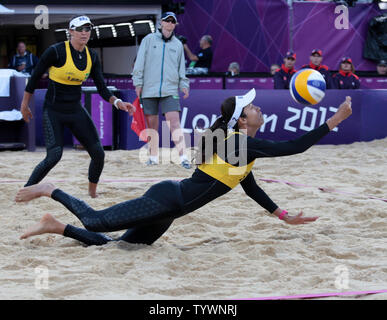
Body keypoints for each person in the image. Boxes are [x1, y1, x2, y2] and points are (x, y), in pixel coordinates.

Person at [15, 89, 353, 247]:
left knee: (120, 245)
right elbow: (294, 147)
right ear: (243, 119)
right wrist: (334, 120)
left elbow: (249, 187)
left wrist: (283, 215)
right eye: (252, 106)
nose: (258, 107)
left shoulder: (240, 147)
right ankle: (50, 190)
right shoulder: (240, 142)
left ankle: (55, 226)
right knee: (95, 220)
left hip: (170, 210)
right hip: (167, 198)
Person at [19, 15, 135, 198]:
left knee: (98, 153)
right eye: (80, 29)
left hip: (75, 110)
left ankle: (92, 193)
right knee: (54, 156)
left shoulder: (91, 56)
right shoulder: (56, 51)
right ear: (70, 32)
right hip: (53, 110)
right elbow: (34, 78)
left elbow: (102, 88)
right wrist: (24, 105)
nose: (84, 33)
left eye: (87, 29)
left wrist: (118, 102)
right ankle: (25, 190)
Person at [132, 12, 191, 169]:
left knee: (174, 122)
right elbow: (139, 63)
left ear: (175, 25)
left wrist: (184, 85)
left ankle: (183, 156)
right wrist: (138, 83)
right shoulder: (148, 40)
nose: (170, 23)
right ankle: (153, 156)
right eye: (167, 21)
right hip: (149, 88)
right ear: (161, 23)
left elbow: (181, 68)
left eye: (173, 21)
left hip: (170, 89)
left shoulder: (178, 44)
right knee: (152, 124)